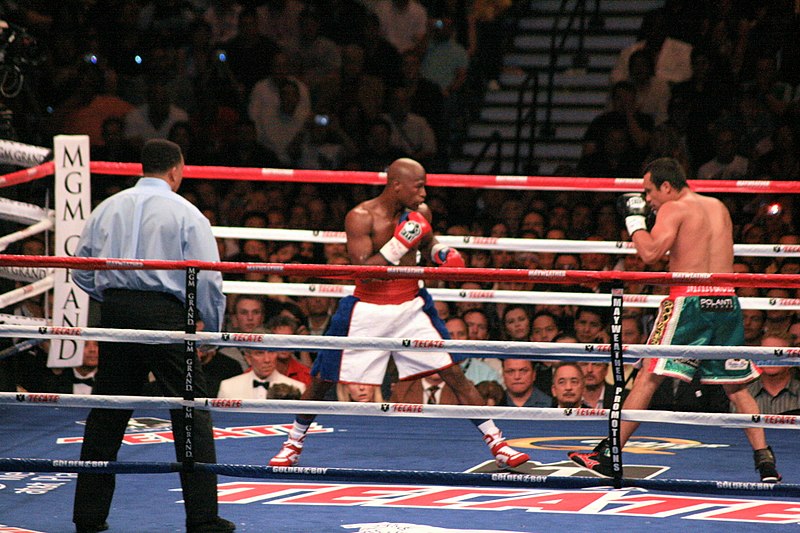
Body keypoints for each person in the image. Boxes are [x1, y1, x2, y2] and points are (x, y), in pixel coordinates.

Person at [269, 158, 529, 469]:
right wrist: (399, 243)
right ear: (396, 185)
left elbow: (427, 242)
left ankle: (498, 443)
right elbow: (363, 271)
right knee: (323, 377)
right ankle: (293, 442)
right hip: (367, 306)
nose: (424, 193)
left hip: (411, 303)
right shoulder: (361, 217)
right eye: (418, 187)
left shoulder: (420, 213)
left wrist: (443, 253)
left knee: (453, 373)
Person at [568, 157, 780, 483]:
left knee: (648, 376)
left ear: (667, 186)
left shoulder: (674, 208)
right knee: (736, 387)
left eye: (649, 191)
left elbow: (650, 253)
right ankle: (765, 462)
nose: (648, 199)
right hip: (726, 300)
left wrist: (635, 220)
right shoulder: (717, 207)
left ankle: (609, 454)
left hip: (689, 302)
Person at [71, 140, 234, 532]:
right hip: (166, 315)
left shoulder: (107, 207)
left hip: (116, 313)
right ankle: (202, 518)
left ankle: (88, 517)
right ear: (176, 170)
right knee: (190, 412)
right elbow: (207, 278)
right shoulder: (186, 212)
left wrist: (113, 297)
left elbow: (79, 268)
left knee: (108, 411)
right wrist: (211, 329)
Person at [217, 327, 306, 399]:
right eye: (259, 353)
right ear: (248, 358)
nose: (267, 360)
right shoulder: (228, 387)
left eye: (271, 352)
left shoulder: (297, 387)